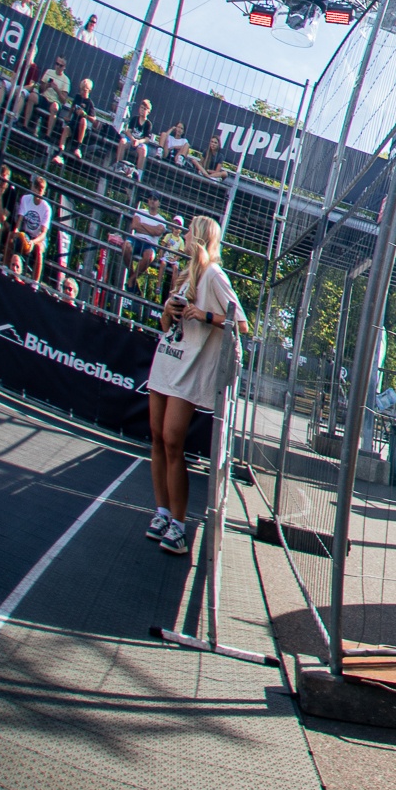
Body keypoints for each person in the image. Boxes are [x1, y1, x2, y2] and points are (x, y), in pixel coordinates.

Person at [147, 216, 247, 555]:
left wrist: (203, 315)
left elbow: (241, 324)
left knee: (173, 440)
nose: (185, 235)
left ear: (200, 237)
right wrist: (168, 309)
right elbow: (166, 326)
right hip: (167, 360)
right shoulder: (185, 274)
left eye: (190, 231)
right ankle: (162, 512)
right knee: (157, 438)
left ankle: (179, 524)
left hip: (188, 369)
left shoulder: (215, 275)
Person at [10, 174, 51, 283]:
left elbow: (43, 234)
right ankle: (5, 268)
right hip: (25, 233)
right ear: (32, 187)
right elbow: (20, 220)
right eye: (36, 187)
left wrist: (33, 242)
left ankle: (35, 283)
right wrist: (16, 232)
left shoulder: (47, 208)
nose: (38, 191)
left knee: (39, 249)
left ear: (44, 191)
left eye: (40, 189)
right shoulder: (25, 199)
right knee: (11, 237)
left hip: (38, 238)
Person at [114, 97, 155, 174]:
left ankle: (139, 173)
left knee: (143, 150)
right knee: (122, 141)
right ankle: (119, 165)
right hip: (130, 140)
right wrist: (132, 139)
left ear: (148, 112)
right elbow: (128, 131)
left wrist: (138, 141)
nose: (142, 110)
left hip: (140, 143)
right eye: (141, 107)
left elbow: (147, 139)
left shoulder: (148, 124)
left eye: (145, 109)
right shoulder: (134, 119)